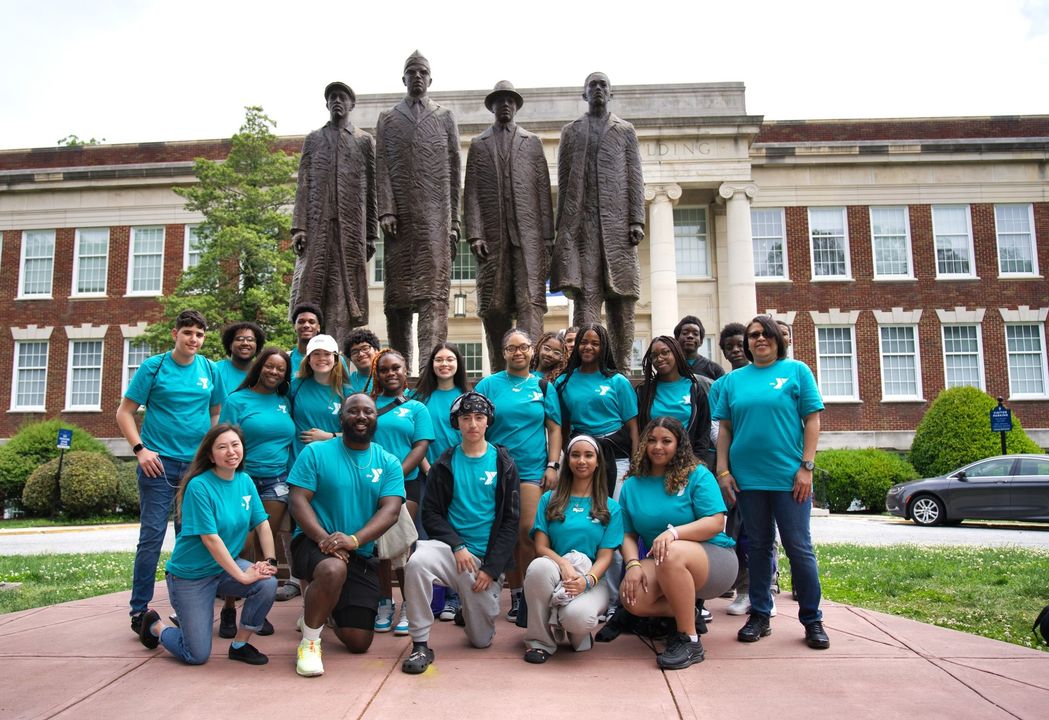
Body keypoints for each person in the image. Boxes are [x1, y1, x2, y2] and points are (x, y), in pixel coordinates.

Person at [712, 315, 830, 650]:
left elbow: (812, 419)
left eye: (765, 334)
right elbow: (726, 430)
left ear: (778, 338)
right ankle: (760, 615)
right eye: (753, 335)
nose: (759, 339)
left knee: (798, 548)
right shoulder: (735, 381)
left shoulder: (797, 371)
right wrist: (723, 470)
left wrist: (806, 467)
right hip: (748, 480)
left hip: (789, 478)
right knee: (758, 547)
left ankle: (812, 619)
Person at [116, 309, 222, 637]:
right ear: (174, 334)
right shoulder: (155, 367)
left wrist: (209, 454)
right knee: (151, 538)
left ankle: (181, 606)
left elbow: (215, 412)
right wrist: (140, 450)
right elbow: (125, 412)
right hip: (158, 465)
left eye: (199, 334)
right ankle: (139, 610)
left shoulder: (209, 369)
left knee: (188, 538)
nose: (193, 339)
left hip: (195, 468)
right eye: (188, 332)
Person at [137, 424, 278, 665]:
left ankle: (240, 644)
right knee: (197, 655)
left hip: (224, 568)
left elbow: (262, 523)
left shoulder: (245, 481)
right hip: (190, 576)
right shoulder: (199, 486)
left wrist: (269, 562)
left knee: (267, 583)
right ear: (211, 455)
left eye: (235, 445)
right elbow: (211, 539)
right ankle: (156, 627)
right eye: (222, 447)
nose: (231, 451)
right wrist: (243, 576)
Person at [401, 392, 520, 675]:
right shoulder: (445, 462)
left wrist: (491, 569)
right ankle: (420, 643)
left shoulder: (504, 464)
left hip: (484, 562)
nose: (473, 424)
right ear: (457, 423)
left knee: (480, 641)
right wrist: (456, 545)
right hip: (453, 553)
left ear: (488, 422)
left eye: (479, 418)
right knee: (417, 561)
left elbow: (510, 523)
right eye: (466, 418)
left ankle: (470, 611)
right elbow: (431, 514)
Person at [288, 394, 405, 676]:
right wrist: (322, 538)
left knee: (358, 641)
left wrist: (354, 540)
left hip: (360, 551)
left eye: (368, 411)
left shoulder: (388, 462)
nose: (361, 416)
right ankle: (310, 643)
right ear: (341, 419)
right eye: (353, 411)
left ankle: (316, 612)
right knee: (332, 568)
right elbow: (297, 500)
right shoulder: (316, 452)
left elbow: (390, 511)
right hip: (313, 542)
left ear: (377, 418)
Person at [618, 417, 738, 670]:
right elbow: (628, 534)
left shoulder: (697, 475)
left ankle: (689, 640)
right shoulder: (632, 484)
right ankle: (686, 612)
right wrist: (632, 565)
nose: (657, 446)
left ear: (679, 444)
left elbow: (716, 522)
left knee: (670, 552)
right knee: (632, 597)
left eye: (666, 441)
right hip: (666, 561)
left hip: (715, 560)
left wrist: (674, 533)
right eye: (651, 440)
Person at [551, 73, 644, 372]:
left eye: (603, 85)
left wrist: (636, 219)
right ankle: (586, 365)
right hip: (584, 229)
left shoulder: (625, 130)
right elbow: (564, 183)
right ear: (584, 94)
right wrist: (563, 231)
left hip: (618, 229)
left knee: (623, 302)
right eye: (593, 85)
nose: (599, 89)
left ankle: (622, 367)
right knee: (586, 301)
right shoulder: (572, 131)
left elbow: (635, 176)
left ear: (610, 93)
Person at [376, 50, 461, 369]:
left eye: (422, 72)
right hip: (399, 223)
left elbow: (454, 171)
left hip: (435, 221)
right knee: (396, 301)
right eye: (411, 72)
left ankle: (430, 368)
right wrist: (385, 208)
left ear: (429, 78)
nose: (417, 77)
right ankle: (397, 367)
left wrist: (454, 221)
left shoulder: (444, 116)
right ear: (404, 78)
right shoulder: (388, 118)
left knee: (433, 297)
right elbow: (381, 165)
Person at [475, 329, 562, 623]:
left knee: (527, 530)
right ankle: (516, 593)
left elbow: (554, 428)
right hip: (495, 467)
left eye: (524, 347)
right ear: (504, 353)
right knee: (505, 533)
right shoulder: (489, 384)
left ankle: (531, 592)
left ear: (531, 351)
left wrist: (553, 465)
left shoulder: (542, 386)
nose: (518, 353)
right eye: (512, 348)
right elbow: (476, 424)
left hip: (531, 469)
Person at [465, 81, 553, 369]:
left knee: (531, 304)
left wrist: (548, 238)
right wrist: (475, 232)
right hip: (492, 239)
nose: (505, 105)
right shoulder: (479, 145)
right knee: (493, 307)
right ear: (492, 106)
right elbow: (473, 191)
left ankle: (533, 370)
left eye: (510, 101)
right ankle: (498, 370)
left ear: (516, 106)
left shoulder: (532, 142)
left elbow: (542, 191)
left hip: (528, 240)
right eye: (499, 101)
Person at [289, 81, 378, 348]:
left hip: (349, 234)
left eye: (342, 97)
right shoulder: (314, 139)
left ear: (352, 104)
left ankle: (336, 362)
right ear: (327, 104)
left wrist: (371, 235)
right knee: (311, 293)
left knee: (342, 299)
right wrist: (299, 228)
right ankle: (307, 358)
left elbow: (372, 189)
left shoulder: (364, 141)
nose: (337, 101)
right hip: (317, 229)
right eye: (332, 98)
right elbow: (303, 183)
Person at [522, 434, 623, 663]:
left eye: (589, 455)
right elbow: (540, 547)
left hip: (592, 579)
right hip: (557, 571)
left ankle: (572, 626)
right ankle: (540, 642)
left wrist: (586, 581)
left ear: (598, 462)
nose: (582, 461)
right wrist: (564, 564)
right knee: (538, 567)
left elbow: (606, 557)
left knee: (578, 618)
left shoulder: (611, 507)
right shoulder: (550, 499)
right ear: (567, 461)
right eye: (575, 455)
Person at [218, 347, 295, 633]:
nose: (274, 372)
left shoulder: (284, 401)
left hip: (277, 481)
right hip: (243, 480)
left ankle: (256, 611)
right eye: (270, 366)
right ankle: (228, 607)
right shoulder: (237, 400)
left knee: (265, 546)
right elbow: (223, 441)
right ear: (259, 367)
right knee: (241, 545)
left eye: (280, 369)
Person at [369, 348, 434, 634]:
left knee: (401, 540)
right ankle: (385, 600)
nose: (391, 373)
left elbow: (421, 446)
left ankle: (410, 604)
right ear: (377, 374)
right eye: (384, 369)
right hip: (370, 482)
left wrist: (395, 474)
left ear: (404, 370)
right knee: (379, 543)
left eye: (396, 368)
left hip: (407, 483)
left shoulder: (417, 407)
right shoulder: (367, 404)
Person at [411, 341, 472, 621]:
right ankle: (432, 599)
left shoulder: (468, 395)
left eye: (450, 359)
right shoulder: (419, 397)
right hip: (427, 475)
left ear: (458, 364)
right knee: (427, 535)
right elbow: (417, 439)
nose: (444, 364)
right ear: (431, 364)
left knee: (457, 533)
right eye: (439, 360)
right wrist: (428, 469)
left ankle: (455, 598)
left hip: (461, 475)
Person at [554, 323, 638, 499]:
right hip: (581, 456)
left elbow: (633, 427)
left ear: (603, 347)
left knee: (617, 508)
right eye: (584, 342)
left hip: (617, 455)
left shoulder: (618, 381)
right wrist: (569, 452)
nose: (588, 347)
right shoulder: (563, 382)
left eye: (595, 343)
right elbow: (561, 426)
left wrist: (635, 462)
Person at [635, 336, 712, 462]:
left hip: (688, 462)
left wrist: (698, 461)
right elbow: (638, 430)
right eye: (654, 356)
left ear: (676, 353)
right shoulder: (643, 392)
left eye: (665, 352)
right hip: (654, 462)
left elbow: (704, 431)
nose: (659, 358)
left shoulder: (695, 388)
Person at [289, 334, 352, 458]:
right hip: (298, 461)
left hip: (333, 460)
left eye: (327, 354)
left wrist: (330, 436)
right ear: (308, 359)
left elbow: (357, 433)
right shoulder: (295, 385)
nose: (321, 358)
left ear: (335, 359)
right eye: (316, 353)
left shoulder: (347, 392)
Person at [216, 322, 265, 398]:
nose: (245, 343)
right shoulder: (215, 370)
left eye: (250, 339)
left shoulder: (264, 373)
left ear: (257, 346)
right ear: (230, 345)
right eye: (239, 339)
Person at [674, 315, 725, 382]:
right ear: (677, 339)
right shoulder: (670, 368)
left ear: (701, 341)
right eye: (685, 333)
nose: (690, 336)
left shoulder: (715, 370)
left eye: (695, 334)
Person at [344, 328, 380, 394]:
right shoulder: (346, 384)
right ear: (350, 358)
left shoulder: (389, 377)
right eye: (354, 351)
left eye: (365, 348)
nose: (361, 354)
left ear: (376, 350)